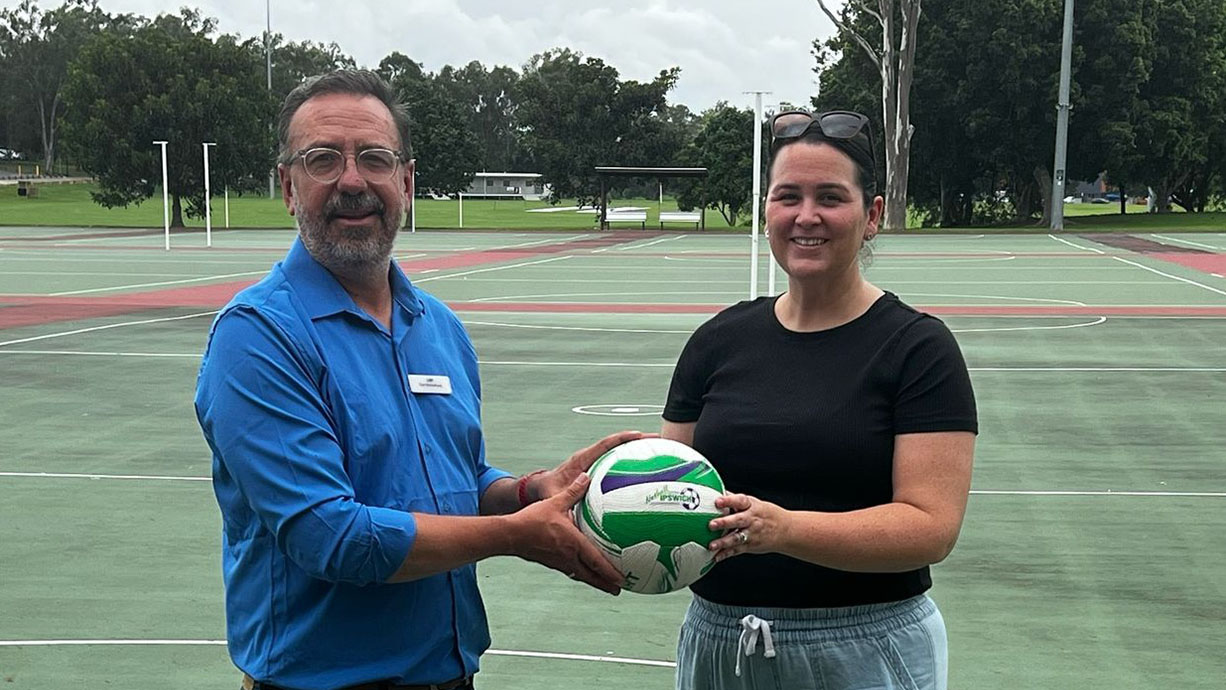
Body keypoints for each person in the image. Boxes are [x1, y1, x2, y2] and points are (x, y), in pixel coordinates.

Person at [194, 69, 640, 690]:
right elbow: (331, 536)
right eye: (323, 159)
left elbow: (454, 478)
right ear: (289, 188)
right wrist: (511, 536)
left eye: (374, 159)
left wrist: (525, 493)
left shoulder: (440, 327)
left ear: (405, 181)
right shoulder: (259, 336)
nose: (352, 180)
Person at [661, 110, 978, 690]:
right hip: (718, 643)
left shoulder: (918, 348)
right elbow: (671, 484)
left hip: (865, 647)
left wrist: (784, 531)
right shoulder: (717, 340)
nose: (807, 217)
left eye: (830, 197)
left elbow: (931, 527)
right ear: (767, 211)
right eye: (789, 197)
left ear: (872, 214)